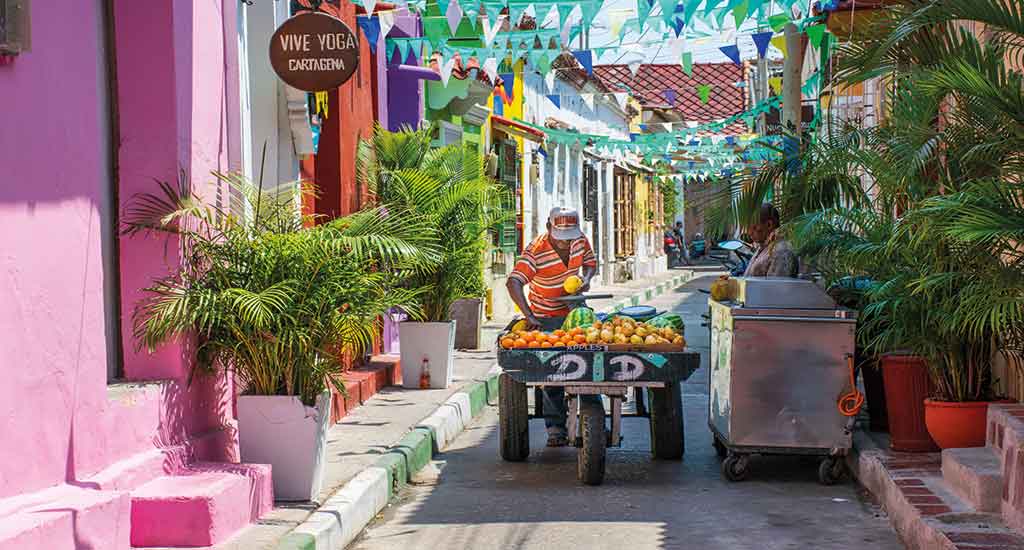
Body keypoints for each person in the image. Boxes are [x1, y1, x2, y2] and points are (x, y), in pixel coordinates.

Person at [506, 207, 598, 447]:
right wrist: (529, 316)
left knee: (590, 362)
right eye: (562, 239)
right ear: (549, 228)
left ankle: (594, 418)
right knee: (553, 368)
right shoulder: (536, 250)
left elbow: (590, 263)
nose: (568, 244)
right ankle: (555, 426)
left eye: (570, 239)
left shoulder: (579, 240)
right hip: (544, 315)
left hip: (576, 311)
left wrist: (586, 280)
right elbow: (513, 282)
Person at [743, 203, 799, 277]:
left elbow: (775, 286)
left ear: (769, 224)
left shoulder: (782, 251)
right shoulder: (764, 247)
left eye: (754, 227)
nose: (749, 233)